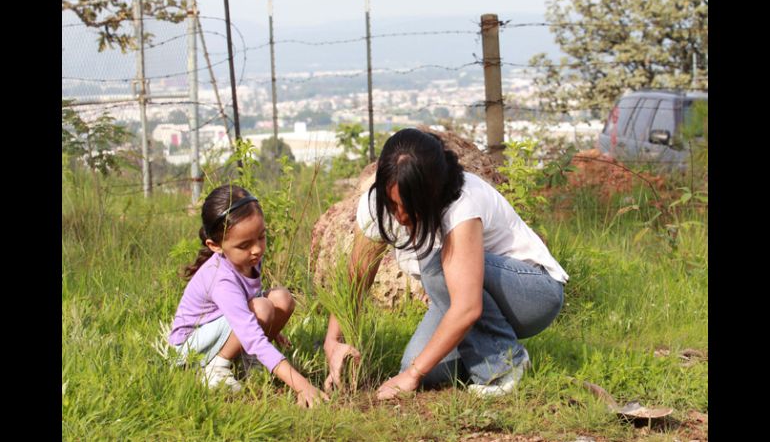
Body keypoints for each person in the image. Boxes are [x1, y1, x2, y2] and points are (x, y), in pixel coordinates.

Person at [322, 128, 568, 400]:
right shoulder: (375, 203)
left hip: (532, 294)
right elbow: (356, 277)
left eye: (411, 205)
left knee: (437, 266)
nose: (401, 216)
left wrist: (411, 376)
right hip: (470, 295)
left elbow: (467, 307)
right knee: (425, 368)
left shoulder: (462, 202)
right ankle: (487, 356)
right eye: (393, 205)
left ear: (431, 192)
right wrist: (333, 341)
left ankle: (505, 365)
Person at [168, 184, 328, 407]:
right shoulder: (221, 278)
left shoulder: (248, 259)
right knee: (262, 308)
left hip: (219, 332)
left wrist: (271, 327)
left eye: (261, 237)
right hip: (189, 349)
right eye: (245, 245)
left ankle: (245, 362)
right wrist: (303, 386)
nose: (256, 250)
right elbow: (252, 323)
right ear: (215, 246)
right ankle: (216, 368)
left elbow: (251, 298)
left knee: (282, 298)